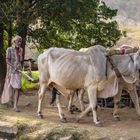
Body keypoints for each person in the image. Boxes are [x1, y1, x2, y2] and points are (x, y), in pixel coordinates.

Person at [1, 35, 23, 112]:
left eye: (20, 41)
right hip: (11, 71)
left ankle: (15, 106)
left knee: (17, 88)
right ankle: (10, 100)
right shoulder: (9, 49)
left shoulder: (21, 50)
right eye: (18, 41)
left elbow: (20, 60)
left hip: (18, 71)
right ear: (14, 42)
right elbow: (7, 61)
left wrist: (20, 56)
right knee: (10, 88)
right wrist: (14, 67)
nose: (19, 43)